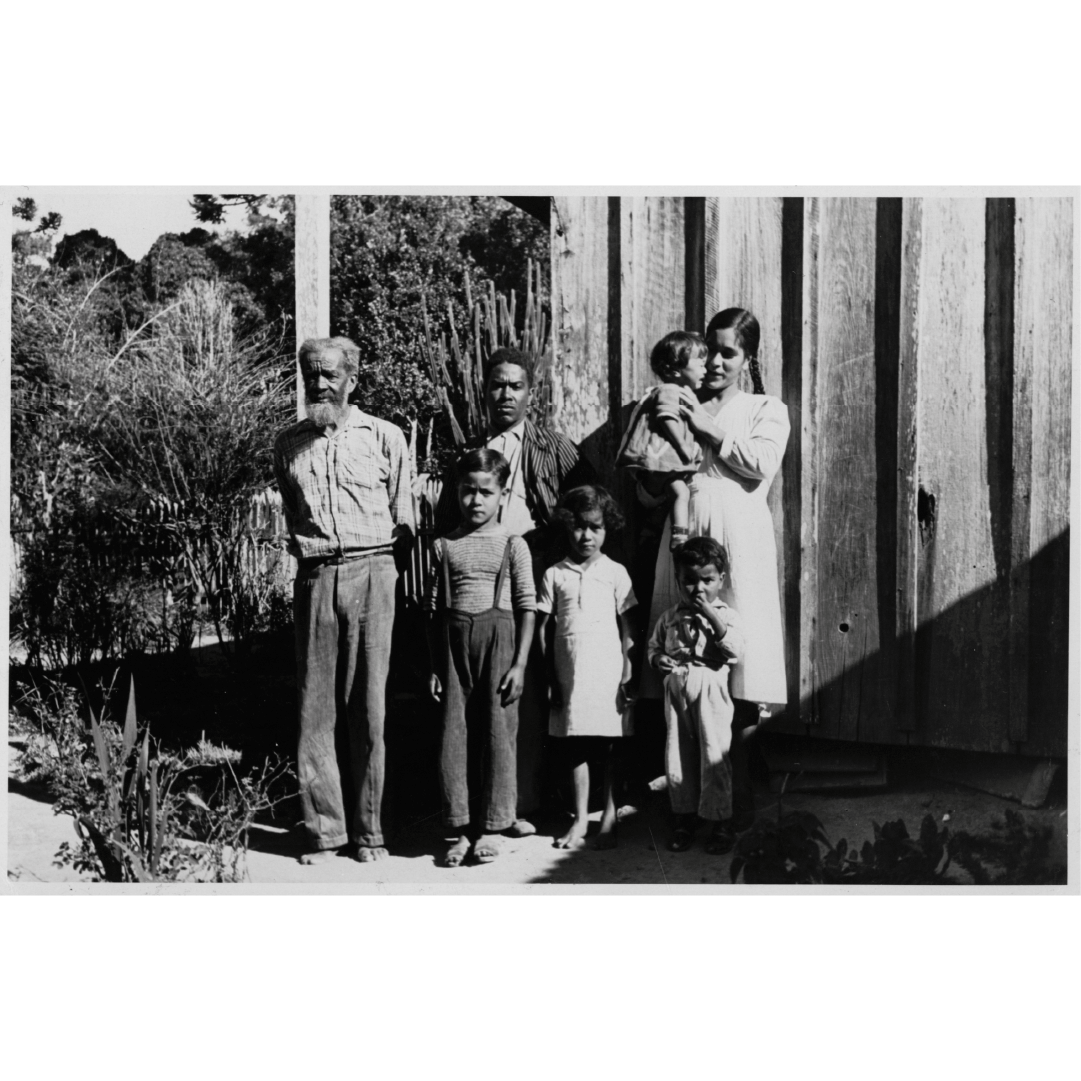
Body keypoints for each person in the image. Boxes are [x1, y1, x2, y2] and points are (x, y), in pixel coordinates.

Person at [639, 307, 789, 832]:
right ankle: (686, 804)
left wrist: (704, 427)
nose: (719, 361)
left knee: (739, 665)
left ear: (747, 359)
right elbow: (647, 479)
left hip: (740, 534)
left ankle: (734, 802)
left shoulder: (766, 408)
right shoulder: (678, 401)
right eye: (714, 350)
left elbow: (759, 465)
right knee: (682, 658)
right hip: (685, 533)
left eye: (731, 352)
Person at [434, 346, 594, 830]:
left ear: (531, 392)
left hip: (540, 568)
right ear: (484, 392)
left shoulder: (555, 447)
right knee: (493, 694)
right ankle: (495, 804)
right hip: (484, 577)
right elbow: (448, 519)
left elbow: (588, 503)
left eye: (515, 386)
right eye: (497, 386)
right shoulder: (472, 458)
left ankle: (531, 801)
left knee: (540, 682)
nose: (506, 394)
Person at [274, 336, 414, 865]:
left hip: (373, 570)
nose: (320, 383)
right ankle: (323, 831)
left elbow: (404, 518)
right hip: (314, 577)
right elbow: (293, 516)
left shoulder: (385, 436)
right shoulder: (287, 444)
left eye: (330, 374)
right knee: (315, 711)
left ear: (352, 378)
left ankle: (370, 832)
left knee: (369, 708)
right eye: (311, 373)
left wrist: (383, 576)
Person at [426, 448, 537, 866]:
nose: (475, 500)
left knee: (497, 733)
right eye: (468, 491)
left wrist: (521, 663)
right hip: (454, 647)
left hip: (500, 643)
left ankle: (493, 826)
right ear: (457, 492)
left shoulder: (513, 545)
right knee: (453, 737)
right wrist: (436, 666)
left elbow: (527, 605)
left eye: (485, 492)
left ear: (502, 495)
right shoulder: (445, 546)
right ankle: (458, 829)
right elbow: (434, 611)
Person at [536, 486, 637, 850]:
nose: (586, 536)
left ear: (607, 528)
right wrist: (550, 676)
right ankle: (580, 820)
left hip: (607, 670)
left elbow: (628, 628)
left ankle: (608, 817)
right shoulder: (554, 574)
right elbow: (545, 630)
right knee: (574, 742)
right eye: (578, 527)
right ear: (566, 527)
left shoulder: (616, 572)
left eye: (595, 527)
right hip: (570, 672)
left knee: (611, 744)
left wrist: (627, 670)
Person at [647, 537, 745, 853]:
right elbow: (654, 646)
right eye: (689, 581)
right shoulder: (669, 616)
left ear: (721, 580)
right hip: (677, 690)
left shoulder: (726, 615)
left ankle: (720, 824)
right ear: (678, 580)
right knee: (678, 756)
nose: (698, 589)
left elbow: (733, 651)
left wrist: (712, 618)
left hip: (710, 689)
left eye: (707, 580)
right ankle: (684, 820)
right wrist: (658, 659)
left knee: (714, 755)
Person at [616, 331, 708, 550]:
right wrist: (683, 447)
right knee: (680, 492)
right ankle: (680, 536)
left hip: (662, 462)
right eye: (701, 365)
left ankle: (657, 529)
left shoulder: (678, 391)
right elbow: (666, 417)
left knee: (673, 495)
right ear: (674, 370)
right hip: (662, 457)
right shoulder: (670, 390)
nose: (706, 369)